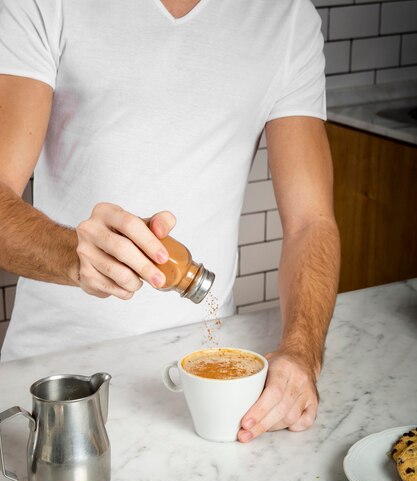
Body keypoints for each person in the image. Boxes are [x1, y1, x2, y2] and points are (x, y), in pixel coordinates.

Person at [0, 0, 340, 442]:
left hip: (208, 387)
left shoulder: (286, 15)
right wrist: (74, 256)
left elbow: (311, 222)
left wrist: (302, 354)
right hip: (55, 382)